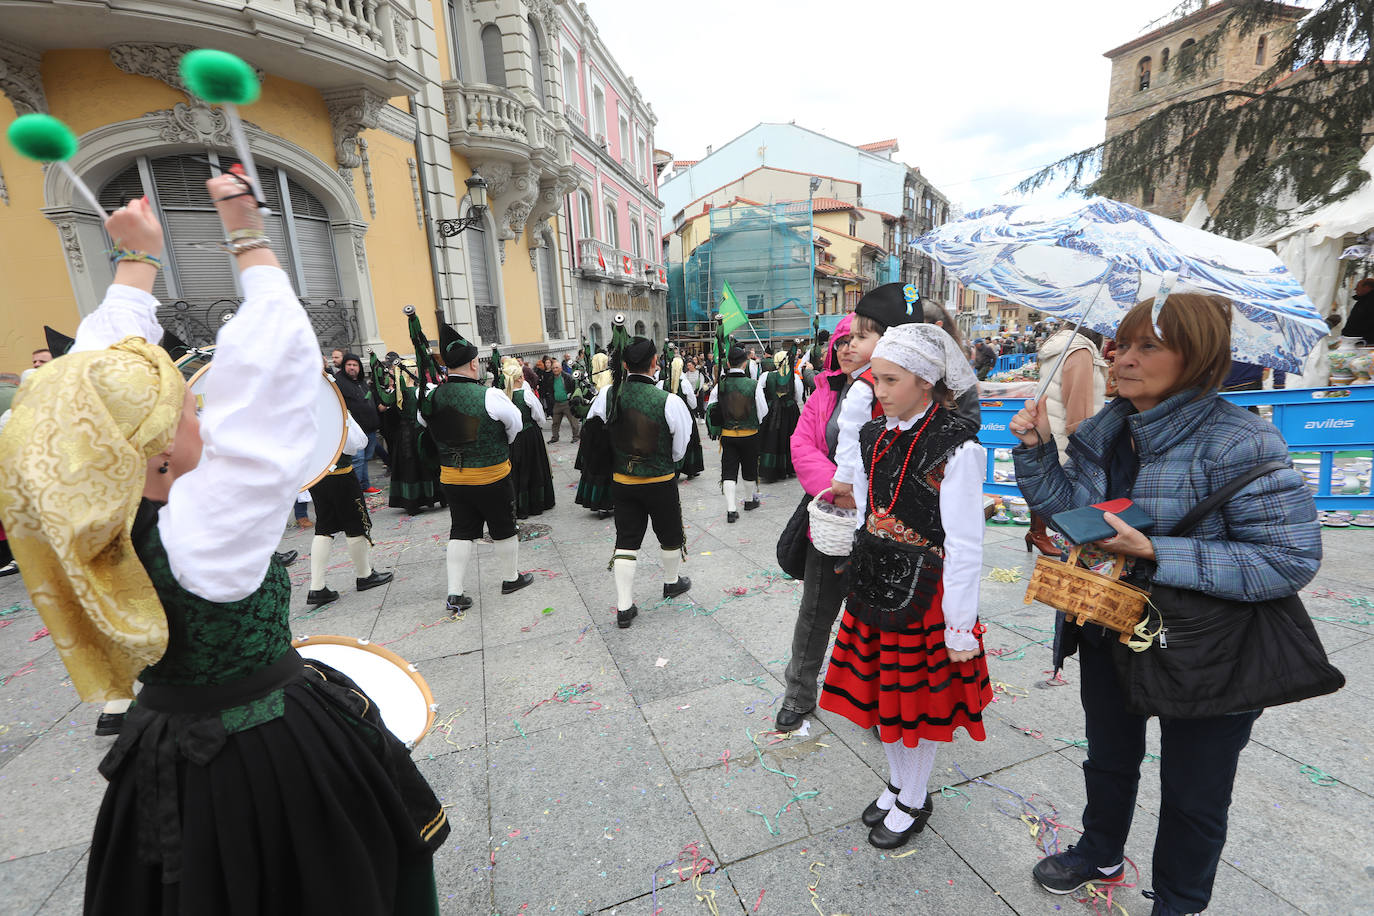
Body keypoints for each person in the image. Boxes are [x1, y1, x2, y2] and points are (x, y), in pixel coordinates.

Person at [0, 174, 448, 912]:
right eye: (187, 409)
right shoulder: (206, 527)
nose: (201, 410)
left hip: (164, 743)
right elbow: (275, 368)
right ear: (160, 453)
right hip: (265, 755)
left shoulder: (90, 501)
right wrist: (248, 235)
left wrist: (136, 262)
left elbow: (82, 386)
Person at [1008, 294, 1321, 916]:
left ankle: (1178, 902)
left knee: (1194, 792)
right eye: (1122, 344)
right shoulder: (1106, 427)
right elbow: (1073, 511)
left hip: (1207, 648)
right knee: (1109, 757)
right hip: (1109, 622)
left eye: (1148, 346)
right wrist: (1039, 449)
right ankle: (1099, 850)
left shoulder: (1242, 441)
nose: (1122, 359)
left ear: (1197, 356)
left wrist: (1156, 550)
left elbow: (1289, 559)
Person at [817, 322, 990, 851]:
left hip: (924, 593)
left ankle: (914, 795)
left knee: (911, 704)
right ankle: (898, 783)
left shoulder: (956, 446)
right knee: (883, 699)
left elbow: (965, 542)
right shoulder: (875, 434)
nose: (879, 389)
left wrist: (960, 624)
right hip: (875, 581)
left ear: (924, 380)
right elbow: (872, 508)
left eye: (891, 380)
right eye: (877, 379)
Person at [776, 315, 857, 732]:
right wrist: (836, 487)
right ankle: (798, 693)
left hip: (877, 524)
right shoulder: (823, 392)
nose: (846, 347)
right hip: (829, 519)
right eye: (841, 340)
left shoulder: (892, 391)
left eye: (856, 339)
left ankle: (879, 701)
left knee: (875, 621)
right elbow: (802, 444)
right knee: (815, 611)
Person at [421, 325, 534, 616]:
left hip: (451, 478)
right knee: (504, 527)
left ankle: (455, 592)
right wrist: (496, 446)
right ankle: (511, 578)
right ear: (474, 363)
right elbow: (515, 426)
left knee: (460, 530)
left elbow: (425, 424)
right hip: (491, 476)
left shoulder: (432, 396)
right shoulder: (491, 395)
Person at [592, 337, 693, 628]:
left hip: (623, 481)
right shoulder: (669, 401)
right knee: (670, 533)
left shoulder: (607, 395)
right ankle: (671, 582)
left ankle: (624, 607)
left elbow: (594, 430)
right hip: (660, 480)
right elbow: (680, 448)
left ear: (624, 364)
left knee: (626, 539)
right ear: (654, 363)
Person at [829, 283, 922, 513]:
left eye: (860, 337)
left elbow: (850, 433)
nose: (851, 344)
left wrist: (843, 478)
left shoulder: (865, 385)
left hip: (879, 475)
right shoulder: (920, 379)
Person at [1026, 327, 1109, 554]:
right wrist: (1084, 443)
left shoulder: (1061, 345)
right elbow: (1079, 407)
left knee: (1047, 482)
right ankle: (1046, 536)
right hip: (1066, 433)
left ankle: (1037, 533)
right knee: (1066, 491)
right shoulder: (1080, 351)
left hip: (1050, 425)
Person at [304, 414, 395, 606]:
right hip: (341, 475)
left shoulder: (296, 408)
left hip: (316, 475)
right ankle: (365, 575)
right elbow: (356, 442)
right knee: (355, 524)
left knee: (324, 527)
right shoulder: (334, 405)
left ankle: (317, 586)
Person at [706, 344, 768, 522]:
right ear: (744, 363)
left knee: (729, 471)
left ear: (727, 362)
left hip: (728, 435)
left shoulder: (721, 386)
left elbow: (711, 407)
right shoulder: (753, 385)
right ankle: (749, 501)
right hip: (750, 434)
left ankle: (731, 509)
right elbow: (762, 411)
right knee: (749, 469)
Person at [503, 359, 556, 518]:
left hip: (513, 437)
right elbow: (539, 416)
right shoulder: (526, 394)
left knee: (518, 470)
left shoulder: (504, 395)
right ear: (519, 378)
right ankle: (538, 502)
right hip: (530, 435)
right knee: (535, 467)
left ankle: (520, 505)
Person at [336, 353, 382, 494]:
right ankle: (354, 490)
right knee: (358, 460)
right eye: (349, 365)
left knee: (365, 459)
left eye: (355, 365)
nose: (352, 367)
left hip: (370, 427)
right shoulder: (339, 382)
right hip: (355, 430)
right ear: (344, 367)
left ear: (359, 368)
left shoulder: (362, 382)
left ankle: (365, 485)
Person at [757, 350, 804, 482]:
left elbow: (759, 395)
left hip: (772, 411)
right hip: (790, 412)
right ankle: (789, 467)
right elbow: (798, 397)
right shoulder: (794, 377)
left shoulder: (766, 376)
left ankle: (772, 470)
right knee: (789, 438)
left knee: (772, 440)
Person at [660, 350, 704, 479]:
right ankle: (690, 468)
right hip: (684, 415)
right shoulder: (684, 383)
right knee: (689, 439)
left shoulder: (663, 383)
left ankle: (673, 468)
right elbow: (693, 403)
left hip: (668, 416)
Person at [548, 355, 581, 443]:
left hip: (567, 403)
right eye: (553, 368)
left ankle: (576, 436)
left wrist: (571, 398)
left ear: (561, 368)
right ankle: (555, 437)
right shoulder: (551, 378)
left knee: (573, 422)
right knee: (555, 422)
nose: (555, 369)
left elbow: (574, 388)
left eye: (556, 367)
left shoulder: (567, 377)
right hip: (557, 403)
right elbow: (550, 391)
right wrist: (552, 400)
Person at [1339, 276, 1374, 343]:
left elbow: (1362, 322)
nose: (1355, 289)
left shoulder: (1369, 302)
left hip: (1362, 341)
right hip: (1358, 339)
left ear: (1367, 288)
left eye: (1358, 287)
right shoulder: (1364, 300)